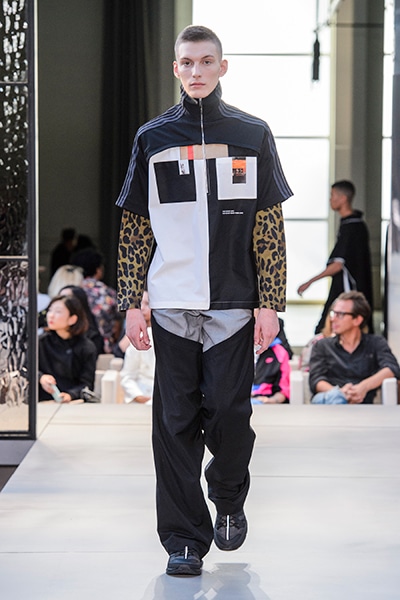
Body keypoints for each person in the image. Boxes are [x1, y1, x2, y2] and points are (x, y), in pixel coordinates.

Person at [116, 25, 292, 576]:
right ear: (176, 69)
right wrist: (132, 299)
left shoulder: (252, 133)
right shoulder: (152, 137)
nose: (197, 71)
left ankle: (229, 496)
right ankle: (184, 540)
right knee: (174, 423)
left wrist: (270, 301)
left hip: (234, 305)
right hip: (170, 304)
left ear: (222, 66)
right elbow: (135, 224)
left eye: (206, 61)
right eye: (188, 62)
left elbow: (269, 224)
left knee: (231, 414)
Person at [297, 180, 373, 333]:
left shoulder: (351, 227)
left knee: (326, 330)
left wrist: (309, 282)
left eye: (332, 195)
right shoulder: (355, 224)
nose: (330, 199)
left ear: (343, 198)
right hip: (351, 291)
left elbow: (338, 264)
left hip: (347, 293)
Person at [309, 291, 400, 404]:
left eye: (340, 314)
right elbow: (316, 380)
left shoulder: (376, 343)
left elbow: (392, 368)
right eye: (333, 313)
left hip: (361, 403)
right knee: (334, 399)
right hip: (327, 401)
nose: (333, 319)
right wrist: (341, 393)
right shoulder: (322, 345)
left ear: (357, 320)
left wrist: (362, 387)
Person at [38, 295, 98, 402]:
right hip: (41, 402)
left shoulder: (86, 347)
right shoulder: (40, 342)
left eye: (58, 312)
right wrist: (41, 377)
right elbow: (26, 369)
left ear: (72, 319)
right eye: (50, 310)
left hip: (73, 403)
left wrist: (71, 395)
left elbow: (87, 384)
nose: (51, 315)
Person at [71, 248, 121, 353]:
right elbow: (117, 325)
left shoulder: (71, 291)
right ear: (98, 270)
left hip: (76, 347)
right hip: (105, 347)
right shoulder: (108, 293)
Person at [120, 291, 154, 404]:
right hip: (142, 393)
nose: (142, 308)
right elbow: (127, 375)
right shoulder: (136, 334)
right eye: (140, 304)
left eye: (147, 304)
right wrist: (138, 396)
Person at [58, 285, 105, 356]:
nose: (61, 303)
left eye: (66, 298)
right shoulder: (49, 336)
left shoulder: (92, 338)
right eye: (59, 298)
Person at [251, 336, 291, 404]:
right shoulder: (237, 349)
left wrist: (270, 400)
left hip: (264, 399)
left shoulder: (279, 352)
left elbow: (283, 390)